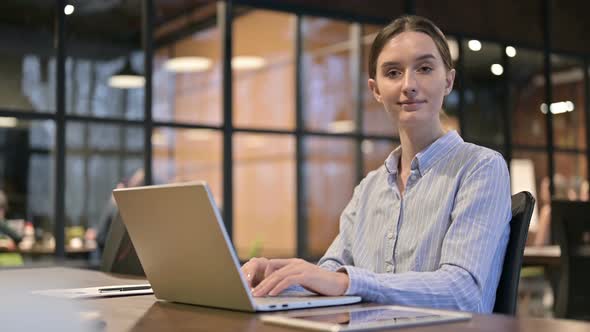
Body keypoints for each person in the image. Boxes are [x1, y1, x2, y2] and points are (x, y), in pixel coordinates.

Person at [241, 15, 511, 313]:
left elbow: (463, 292)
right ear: (376, 89)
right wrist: (276, 279)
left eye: (424, 68)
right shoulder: (368, 188)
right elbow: (329, 275)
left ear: (448, 80)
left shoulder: (481, 168)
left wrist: (349, 283)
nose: (408, 85)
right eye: (393, 72)